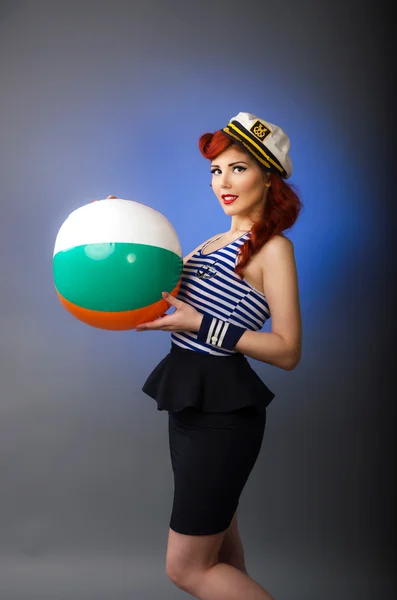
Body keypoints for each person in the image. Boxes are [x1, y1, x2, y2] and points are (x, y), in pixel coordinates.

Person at [112, 111, 302, 600]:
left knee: (189, 569)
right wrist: (113, 228)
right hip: (191, 405)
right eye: (216, 171)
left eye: (238, 168)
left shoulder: (273, 248)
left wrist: (200, 324)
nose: (223, 182)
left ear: (268, 175)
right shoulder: (215, 241)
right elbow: (163, 295)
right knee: (219, 555)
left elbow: (287, 351)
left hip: (223, 415)